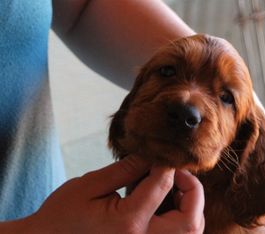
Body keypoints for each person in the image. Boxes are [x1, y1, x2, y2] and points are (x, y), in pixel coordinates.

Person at [0, 1, 204, 233]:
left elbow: (83, 7)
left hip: (54, 208)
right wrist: (33, 230)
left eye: (226, 97)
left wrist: (234, 86)